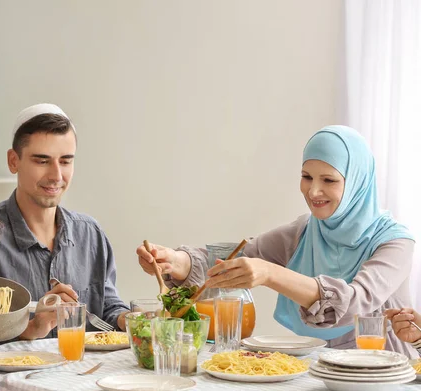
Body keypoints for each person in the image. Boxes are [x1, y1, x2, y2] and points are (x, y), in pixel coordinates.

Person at [137, 125, 417, 357]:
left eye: (329, 180)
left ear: (357, 182)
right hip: (318, 371)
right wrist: (175, 261)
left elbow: (355, 303)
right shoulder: (306, 230)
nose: (314, 191)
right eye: (306, 177)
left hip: (383, 375)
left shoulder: (395, 242)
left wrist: (270, 273)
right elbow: (233, 257)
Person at [0, 103, 129, 340]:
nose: (56, 176)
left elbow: (108, 308)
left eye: (65, 161)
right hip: (6, 377)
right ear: (14, 161)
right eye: (42, 161)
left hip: (85, 376)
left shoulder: (90, 233)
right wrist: (29, 330)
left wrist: (131, 319)